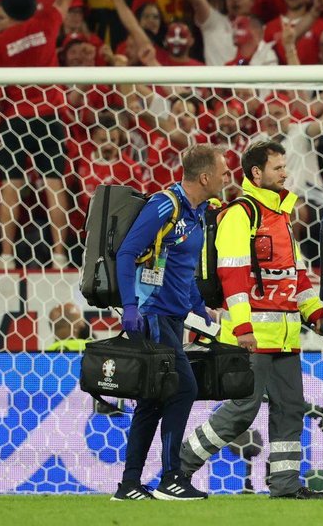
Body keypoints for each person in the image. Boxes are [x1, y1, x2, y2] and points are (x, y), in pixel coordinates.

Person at [180, 139, 323, 499]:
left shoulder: (280, 216)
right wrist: (243, 328)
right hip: (250, 335)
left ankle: (285, 486)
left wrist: (316, 314)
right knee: (243, 409)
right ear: (257, 173)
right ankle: (179, 466)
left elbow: (297, 276)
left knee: (290, 408)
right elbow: (233, 275)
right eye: (278, 168)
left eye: (284, 166)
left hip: (285, 334)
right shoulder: (239, 214)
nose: (285, 173)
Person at [113, 143, 230, 501]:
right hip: (152, 314)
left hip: (174, 316)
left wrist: (199, 307)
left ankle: (129, 484)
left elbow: (180, 270)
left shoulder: (198, 213)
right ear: (205, 176)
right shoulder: (165, 204)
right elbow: (127, 252)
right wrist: (130, 306)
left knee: (152, 401)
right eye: (224, 172)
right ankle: (171, 478)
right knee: (184, 388)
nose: (228, 177)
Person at [0, 0, 97, 271]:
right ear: (32, 4)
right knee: (54, 183)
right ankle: (59, 254)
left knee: (11, 185)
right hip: (48, 115)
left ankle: (4, 255)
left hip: (14, 119)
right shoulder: (47, 23)